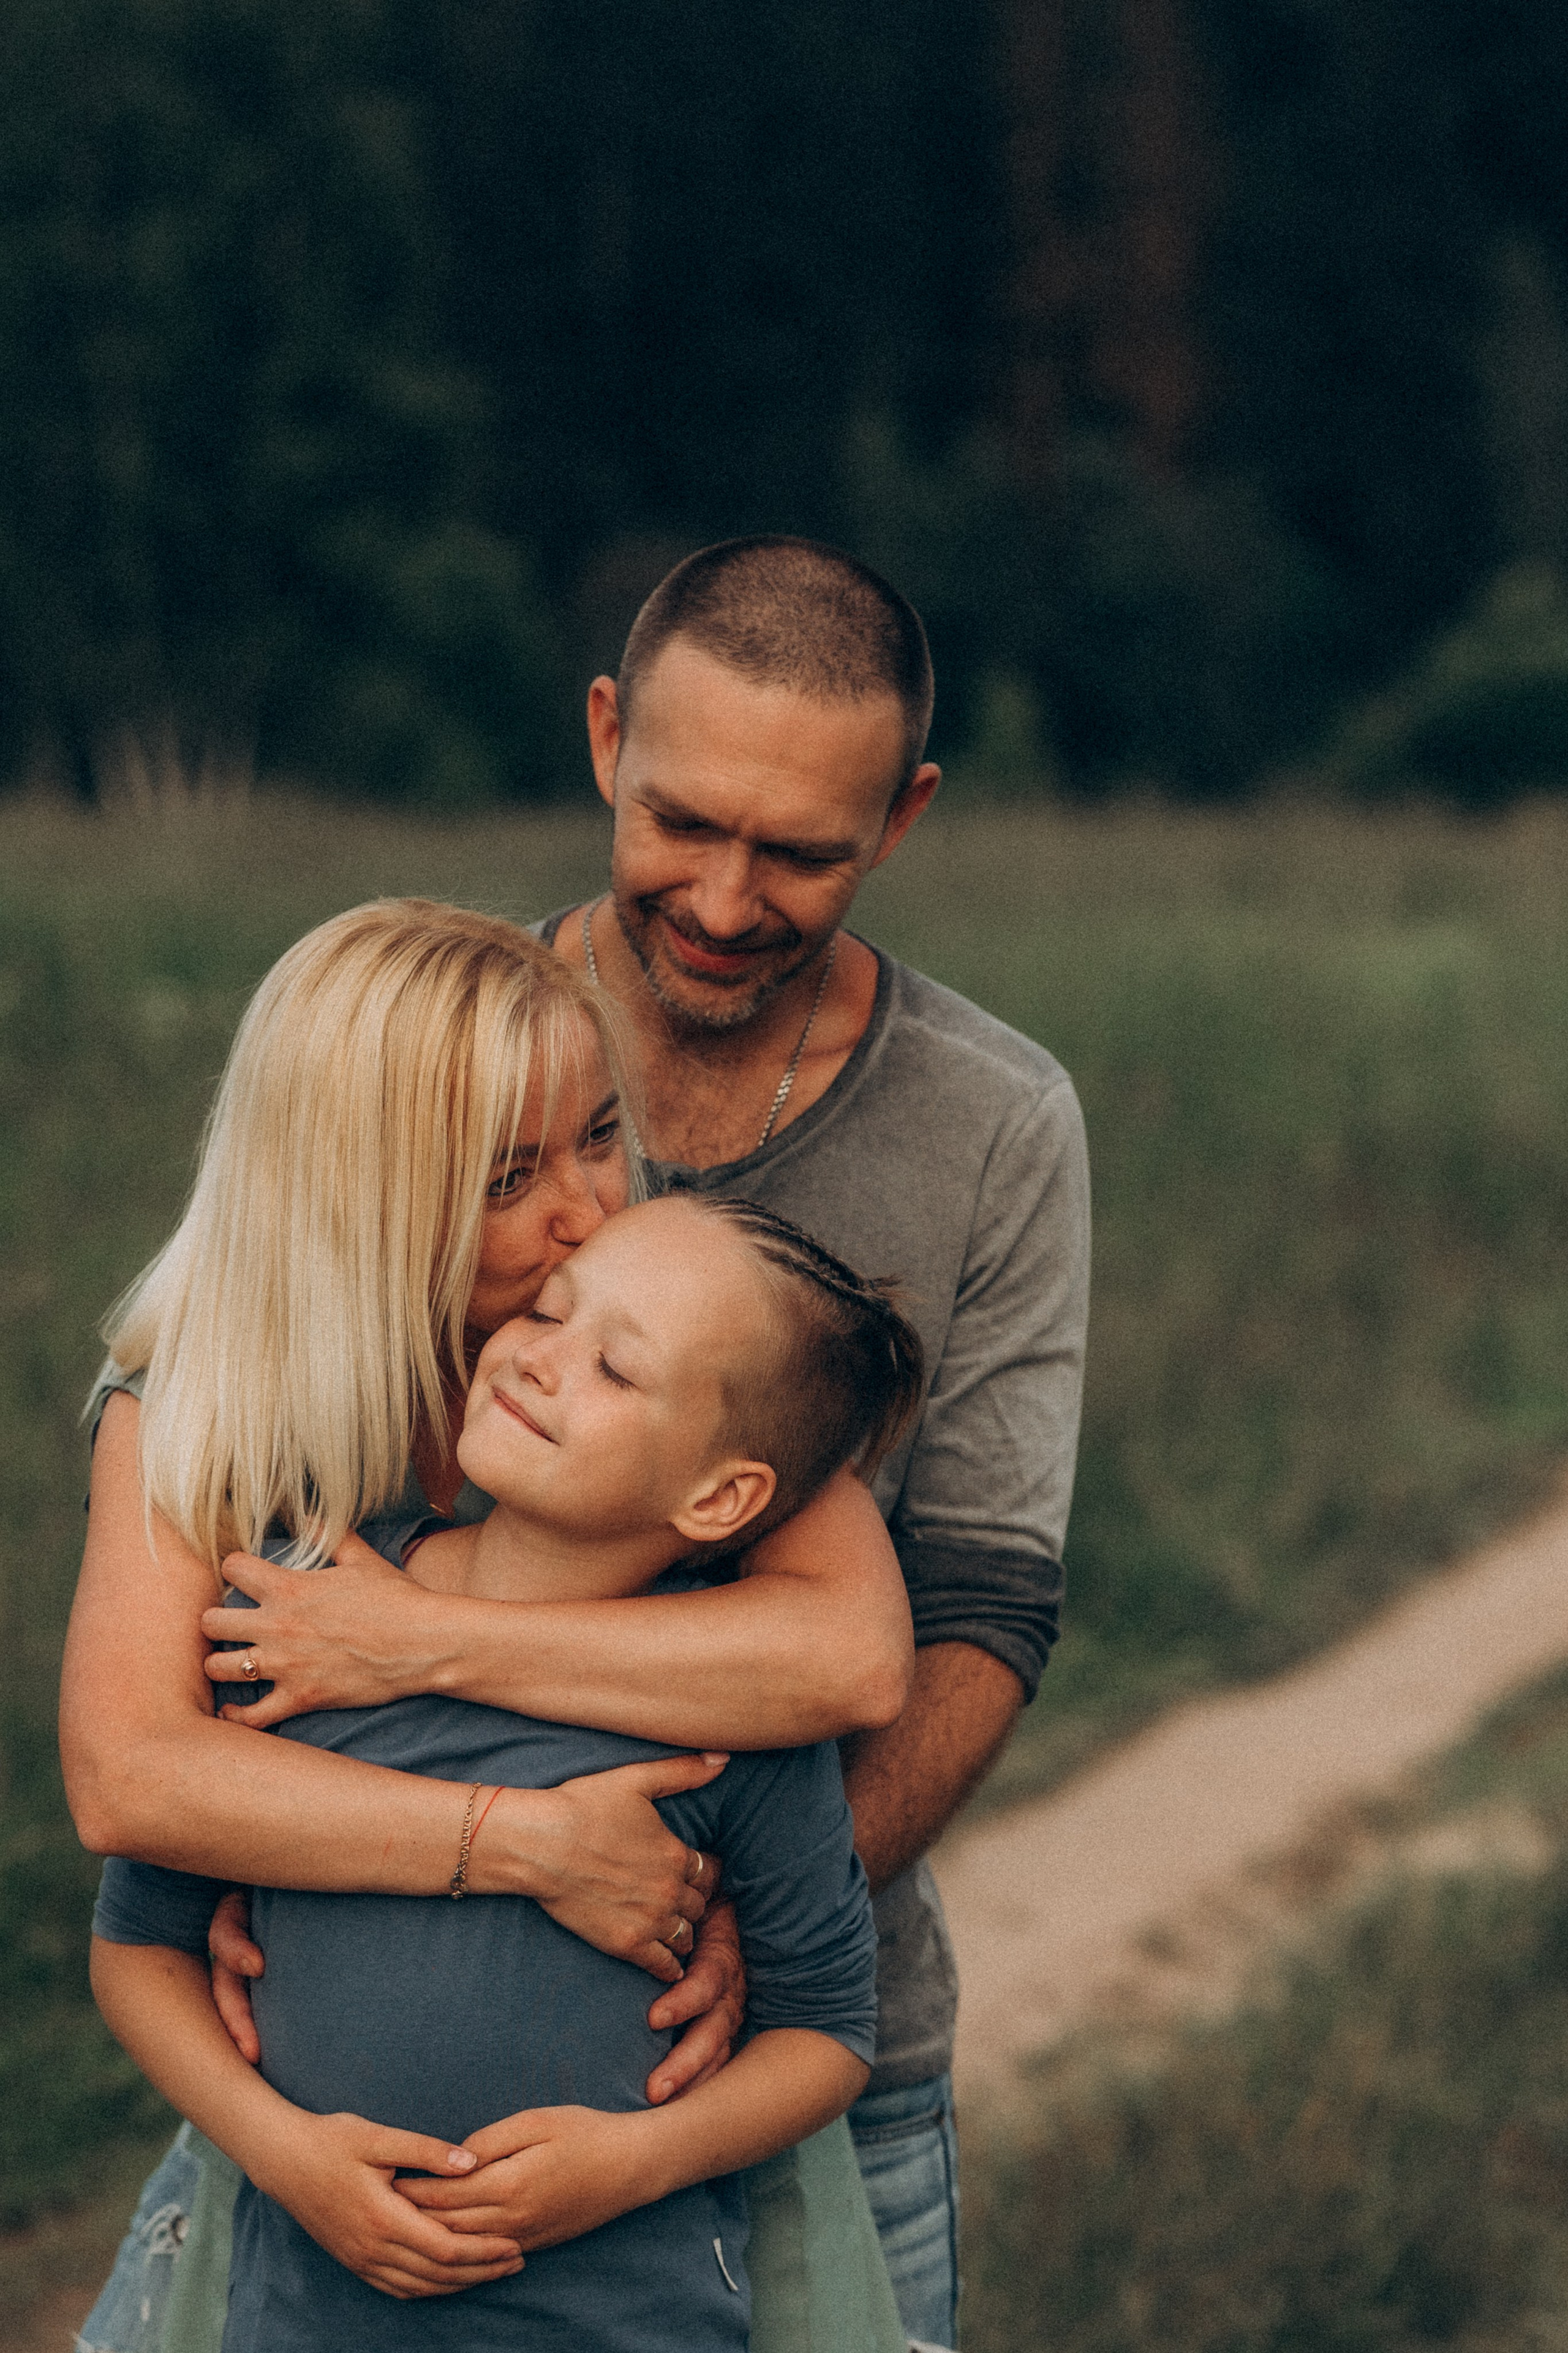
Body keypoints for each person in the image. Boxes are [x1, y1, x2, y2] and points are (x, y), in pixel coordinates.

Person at [198, 536, 1093, 2349]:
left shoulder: (998, 1125)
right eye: (683, 819)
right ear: (606, 735)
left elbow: (970, 1612)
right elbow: (255, 1523)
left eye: (803, 851)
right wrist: (273, 1852)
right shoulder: (444, 1059)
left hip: (784, 2051)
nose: (727, 896)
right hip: (341, 2091)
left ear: (903, 818)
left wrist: (757, 1919)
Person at [62, 898, 915, 2353]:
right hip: (330, 2222)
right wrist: (522, 1846)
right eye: (509, 1175)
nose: (585, 1204)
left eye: (597, 1134)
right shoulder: (208, 1413)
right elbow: (133, 1781)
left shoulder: (657, 1344)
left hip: (634, 2253)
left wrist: (413, 1648)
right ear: (363, 1189)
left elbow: (846, 1656)